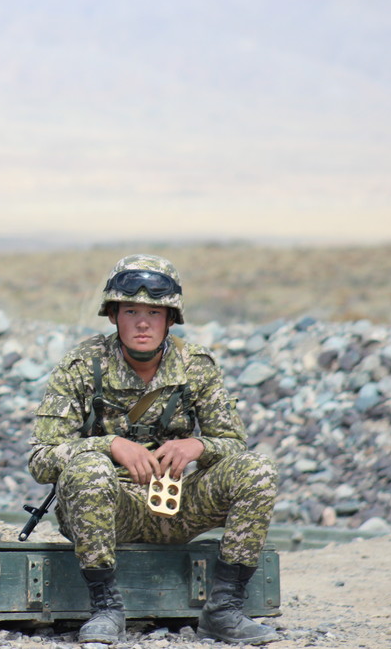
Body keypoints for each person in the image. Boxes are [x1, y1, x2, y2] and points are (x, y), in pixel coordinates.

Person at [28, 254, 279, 646]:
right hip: (110, 509)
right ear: (114, 315)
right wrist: (109, 445)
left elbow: (234, 444)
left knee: (258, 470)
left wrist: (198, 445)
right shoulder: (81, 365)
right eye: (131, 311)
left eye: (154, 312)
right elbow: (41, 458)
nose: (142, 323)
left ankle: (225, 609)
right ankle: (106, 609)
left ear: (170, 319)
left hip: (178, 504)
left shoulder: (196, 365)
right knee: (89, 469)